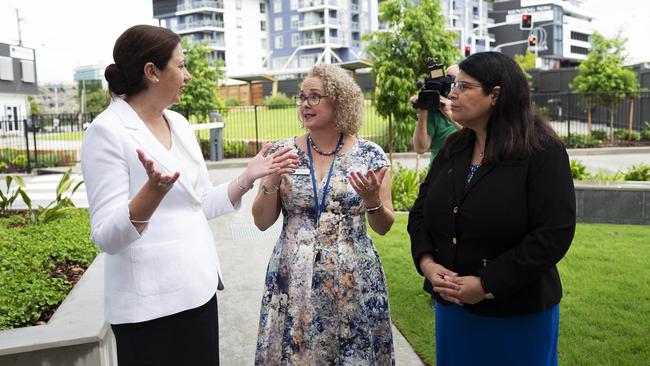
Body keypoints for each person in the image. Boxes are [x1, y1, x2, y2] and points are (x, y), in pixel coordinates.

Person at [81, 25, 298, 366]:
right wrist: (152, 192)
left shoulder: (178, 123)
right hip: (147, 310)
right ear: (151, 72)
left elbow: (196, 203)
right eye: (180, 66)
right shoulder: (106, 132)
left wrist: (248, 176)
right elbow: (107, 236)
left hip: (198, 293)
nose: (189, 75)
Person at [407, 52, 576, 366]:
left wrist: (486, 285)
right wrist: (428, 264)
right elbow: (420, 214)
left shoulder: (542, 151)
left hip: (515, 314)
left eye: (464, 86)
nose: (451, 93)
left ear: (495, 95)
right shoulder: (453, 148)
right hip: (453, 310)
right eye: (453, 84)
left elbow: (553, 234)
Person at [252, 64, 396, 365]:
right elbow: (261, 221)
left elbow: (383, 226)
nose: (305, 104)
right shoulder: (282, 152)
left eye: (315, 96)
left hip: (352, 274)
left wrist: (371, 199)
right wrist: (271, 179)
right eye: (302, 97)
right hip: (294, 275)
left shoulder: (370, 156)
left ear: (340, 101)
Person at [411, 64, 461, 163]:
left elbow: (476, 135)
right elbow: (421, 149)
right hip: (439, 172)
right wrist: (423, 112)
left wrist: (449, 113)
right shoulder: (435, 111)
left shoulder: (470, 108)